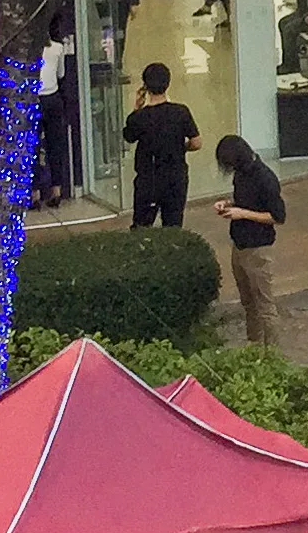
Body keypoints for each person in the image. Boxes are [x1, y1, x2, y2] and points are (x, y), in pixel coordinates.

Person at [213, 135, 287, 345]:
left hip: (258, 248)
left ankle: (272, 353)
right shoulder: (241, 174)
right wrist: (228, 204)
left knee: (265, 305)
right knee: (248, 302)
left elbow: (278, 217)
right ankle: (254, 345)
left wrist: (242, 213)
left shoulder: (266, 178)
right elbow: (244, 200)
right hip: (239, 245)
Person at [123, 62, 199, 228]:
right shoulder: (181, 112)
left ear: (146, 86)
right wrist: (181, 148)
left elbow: (129, 137)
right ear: (168, 83)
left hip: (148, 178)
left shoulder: (139, 117)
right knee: (173, 225)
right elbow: (196, 142)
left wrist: (137, 108)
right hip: (175, 177)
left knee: (142, 226)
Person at [34, 17, 74, 207]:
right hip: (53, 98)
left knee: (33, 146)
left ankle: (34, 193)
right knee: (55, 145)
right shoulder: (58, 48)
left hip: (35, 99)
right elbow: (61, 74)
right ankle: (56, 190)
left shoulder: (31, 51)